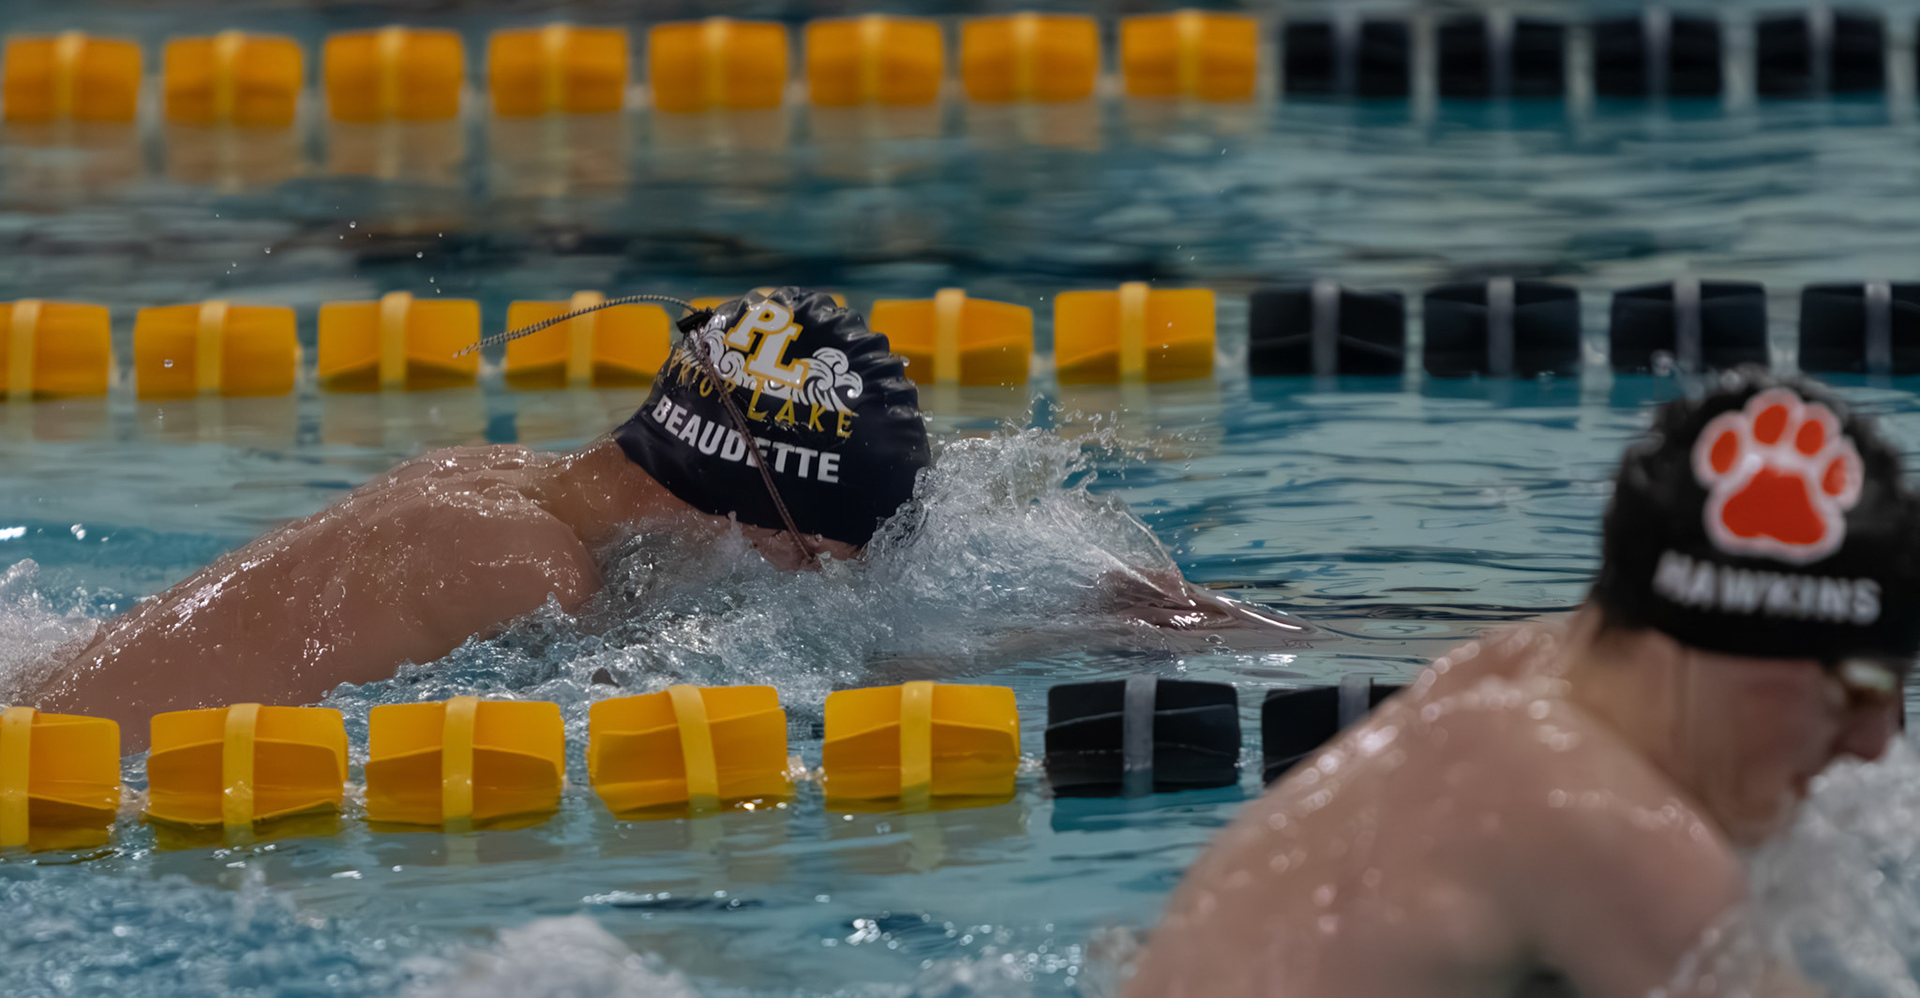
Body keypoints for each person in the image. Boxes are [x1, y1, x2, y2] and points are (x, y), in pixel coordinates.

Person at [1126, 371, 1920, 998]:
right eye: (1859, 685)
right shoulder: (1596, 818)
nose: (1876, 738)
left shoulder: (1517, 673)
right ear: (1735, 652)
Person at [27, 288, 932, 751]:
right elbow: (639, 735)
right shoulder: (528, 571)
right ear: (753, 516)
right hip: (80, 780)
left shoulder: (489, 475)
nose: (798, 582)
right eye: (815, 558)